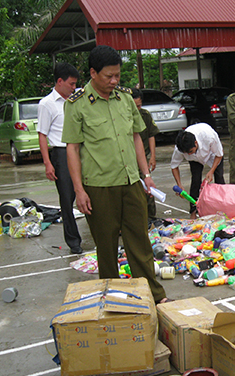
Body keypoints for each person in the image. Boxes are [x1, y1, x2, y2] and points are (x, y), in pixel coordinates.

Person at [62, 45, 168, 303]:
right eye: (108, 76)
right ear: (93, 73)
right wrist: (79, 190)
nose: (114, 81)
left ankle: (155, 296)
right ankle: (112, 300)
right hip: (99, 187)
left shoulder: (125, 99)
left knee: (140, 243)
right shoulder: (77, 105)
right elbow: (73, 149)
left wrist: (146, 174)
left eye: (117, 76)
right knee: (106, 248)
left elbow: (135, 138)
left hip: (131, 182)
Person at [37, 62, 83, 254]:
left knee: (90, 192)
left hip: (81, 150)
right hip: (61, 153)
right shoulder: (46, 104)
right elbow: (42, 134)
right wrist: (48, 163)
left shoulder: (77, 99)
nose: (74, 88)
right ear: (59, 81)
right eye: (71, 84)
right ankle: (74, 241)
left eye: (75, 84)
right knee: (67, 198)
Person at [171, 123, 225, 219]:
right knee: (196, 180)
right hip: (195, 161)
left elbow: (219, 154)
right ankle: (193, 211)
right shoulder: (180, 148)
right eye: (186, 153)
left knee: (219, 178)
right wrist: (179, 184)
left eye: (190, 151)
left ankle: (223, 207)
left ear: (196, 143)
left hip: (212, 154)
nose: (188, 154)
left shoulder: (209, 137)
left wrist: (211, 171)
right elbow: (174, 166)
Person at [131, 88, 159, 221]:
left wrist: (152, 156)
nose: (137, 109)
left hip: (143, 158)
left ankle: (151, 218)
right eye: (134, 106)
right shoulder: (122, 116)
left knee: (148, 190)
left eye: (139, 105)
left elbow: (151, 135)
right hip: (128, 159)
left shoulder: (145, 115)